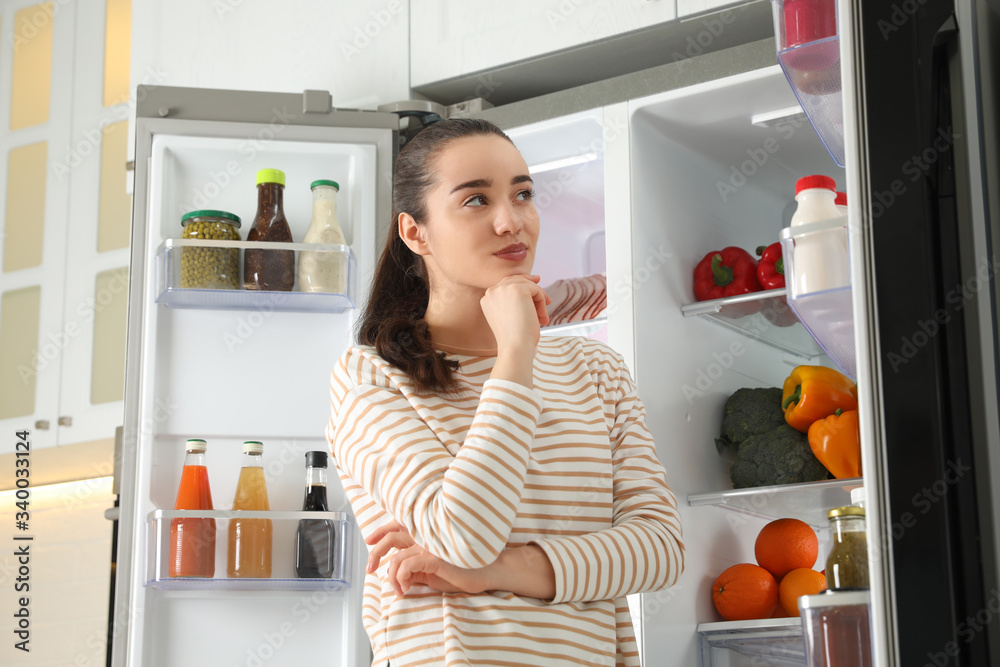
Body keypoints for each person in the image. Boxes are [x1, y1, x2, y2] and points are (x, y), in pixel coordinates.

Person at [326, 118, 684, 667]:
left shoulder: (596, 370)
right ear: (414, 232)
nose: (510, 221)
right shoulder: (370, 375)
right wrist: (516, 355)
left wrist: (493, 571)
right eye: (475, 200)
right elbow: (463, 532)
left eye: (522, 194)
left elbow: (659, 550)